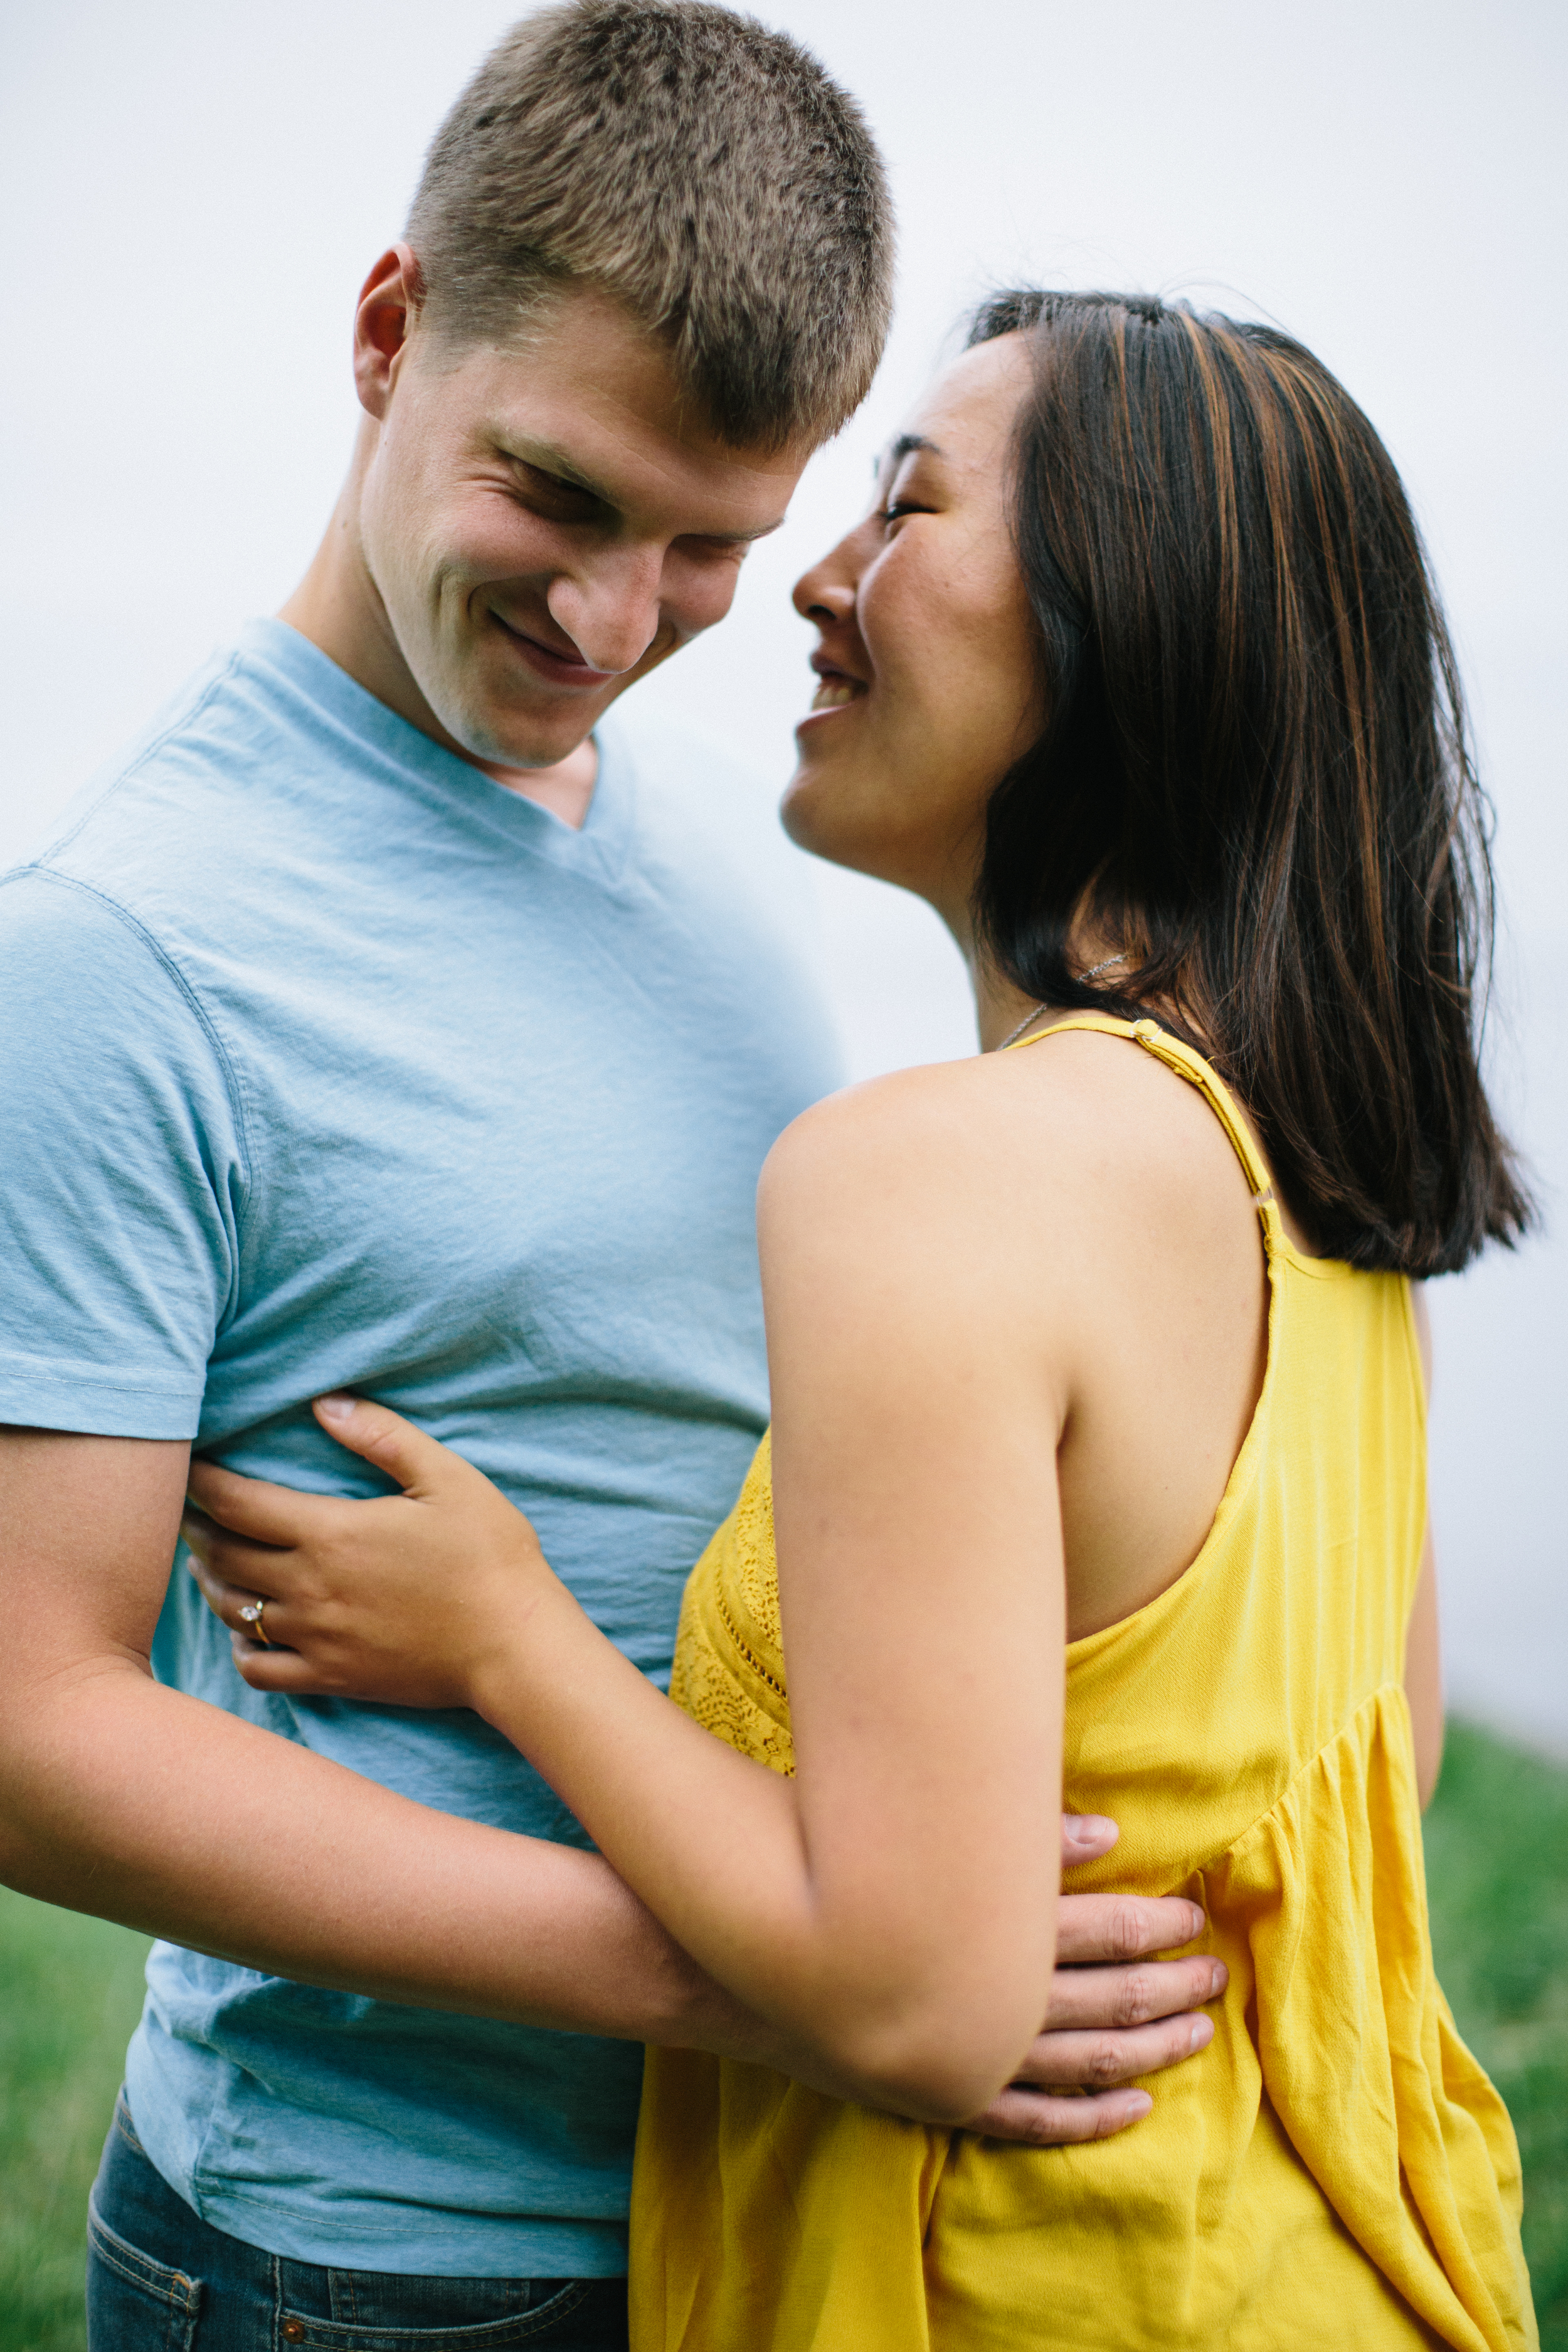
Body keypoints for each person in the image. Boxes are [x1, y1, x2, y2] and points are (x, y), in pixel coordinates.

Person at [0, 14, 1220, 2348]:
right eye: (554, 500)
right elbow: (32, 1741)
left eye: (707, 550)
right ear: (386, 338)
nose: (609, 624)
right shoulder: (112, 953)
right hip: (372, 2255)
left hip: (754, 2210)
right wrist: (791, 1979)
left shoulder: (711, 858)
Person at [182, 290, 1540, 2351]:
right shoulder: (1308, 1174)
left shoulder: (929, 1172)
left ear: (1123, 612)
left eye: (903, 507)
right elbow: (1383, 1745)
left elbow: (916, 2007)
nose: (814, 576)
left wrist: (511, 1642)